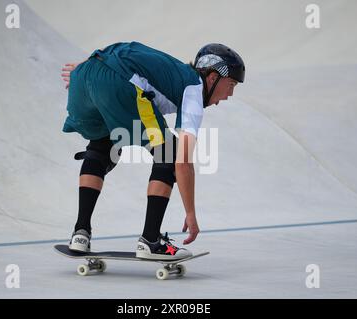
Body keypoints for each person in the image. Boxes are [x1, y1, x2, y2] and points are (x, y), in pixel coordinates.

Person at [60, 41, 245, 260]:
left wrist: (87, 67)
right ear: (213, 78)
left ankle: (80, 234)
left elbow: (128, 50)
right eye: (231, 84)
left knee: (102, 145)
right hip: (117, 82)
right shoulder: (193, 89)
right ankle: (150, 241)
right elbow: (183, 163)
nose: (229, 95)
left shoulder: (171, 69)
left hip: (84, 75)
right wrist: (191, 213)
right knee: (169, 153)